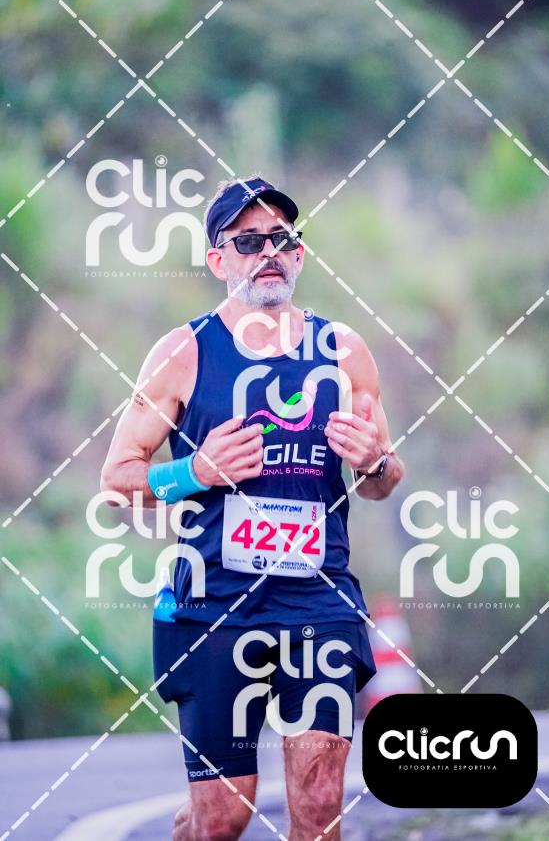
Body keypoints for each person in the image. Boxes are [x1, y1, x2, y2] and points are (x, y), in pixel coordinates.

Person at [100, 176, 404, 841]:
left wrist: (374, 463)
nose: (268, 252)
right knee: (222, 819)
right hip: (213, 606)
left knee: (319, 806)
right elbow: (117, 479)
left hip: (318, 603)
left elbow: (382, 481)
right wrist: (194, 471)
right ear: (219, 260)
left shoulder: (342, 351)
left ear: (299, 254)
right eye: (248, 241)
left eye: (282, 239)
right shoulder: (184, 353)